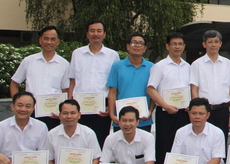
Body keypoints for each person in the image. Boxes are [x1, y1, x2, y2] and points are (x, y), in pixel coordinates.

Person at [147, 31, 191, 164]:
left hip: (184, 113)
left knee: (183, 147)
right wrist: (165, 105)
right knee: (164, 147)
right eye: (174, 44)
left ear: (184, 46)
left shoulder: (188, 67)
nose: (177, 47)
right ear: (167, 46)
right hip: (166, 113)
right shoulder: (159, 66)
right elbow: (151, 89)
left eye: (180, 44)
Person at [68, 19, 120, 148]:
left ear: (104, 34)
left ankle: (98, 162)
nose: (95, 34)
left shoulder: (112, 55)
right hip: (80, 105)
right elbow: (73, 80)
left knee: (100, 141)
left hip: (102, 106)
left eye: (99, 31)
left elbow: (115, 85)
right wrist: (69, 104)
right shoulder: (77, 54)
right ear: (87, 34)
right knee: (79, 141)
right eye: (92, 31)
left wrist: (111, 107)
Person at [10, 25, 69, 130]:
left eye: (53, 39)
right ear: (40, 40)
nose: (49, 42)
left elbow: (66, 90)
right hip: (31, 112)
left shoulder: (64, 64)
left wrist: (63, 111)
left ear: (58, 42)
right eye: (46, 38)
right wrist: (18, 104)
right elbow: (14, 83)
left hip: (53, 114)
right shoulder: (29, 61)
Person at [190, 30, 230, 136]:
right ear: (204, 44)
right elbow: (194, 89)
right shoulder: (196, 64)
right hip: (205, 111)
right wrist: (198, 111)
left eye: (216, 42)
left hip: (223, 110)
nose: (213, 45)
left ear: (220, 44)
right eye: (210, 42)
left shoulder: (228, 64)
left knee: (222, 139)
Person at [107, 33, 154, 132]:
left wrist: (150, 111)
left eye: (140, 43)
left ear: (145, 48)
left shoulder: (152, 67)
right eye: (134, 43)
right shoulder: (117, 66)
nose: (137, 45)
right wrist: (112, 114)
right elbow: (112, 92)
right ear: (128, 46)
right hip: (122, 119)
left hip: (143, 119)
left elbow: (154, 92)